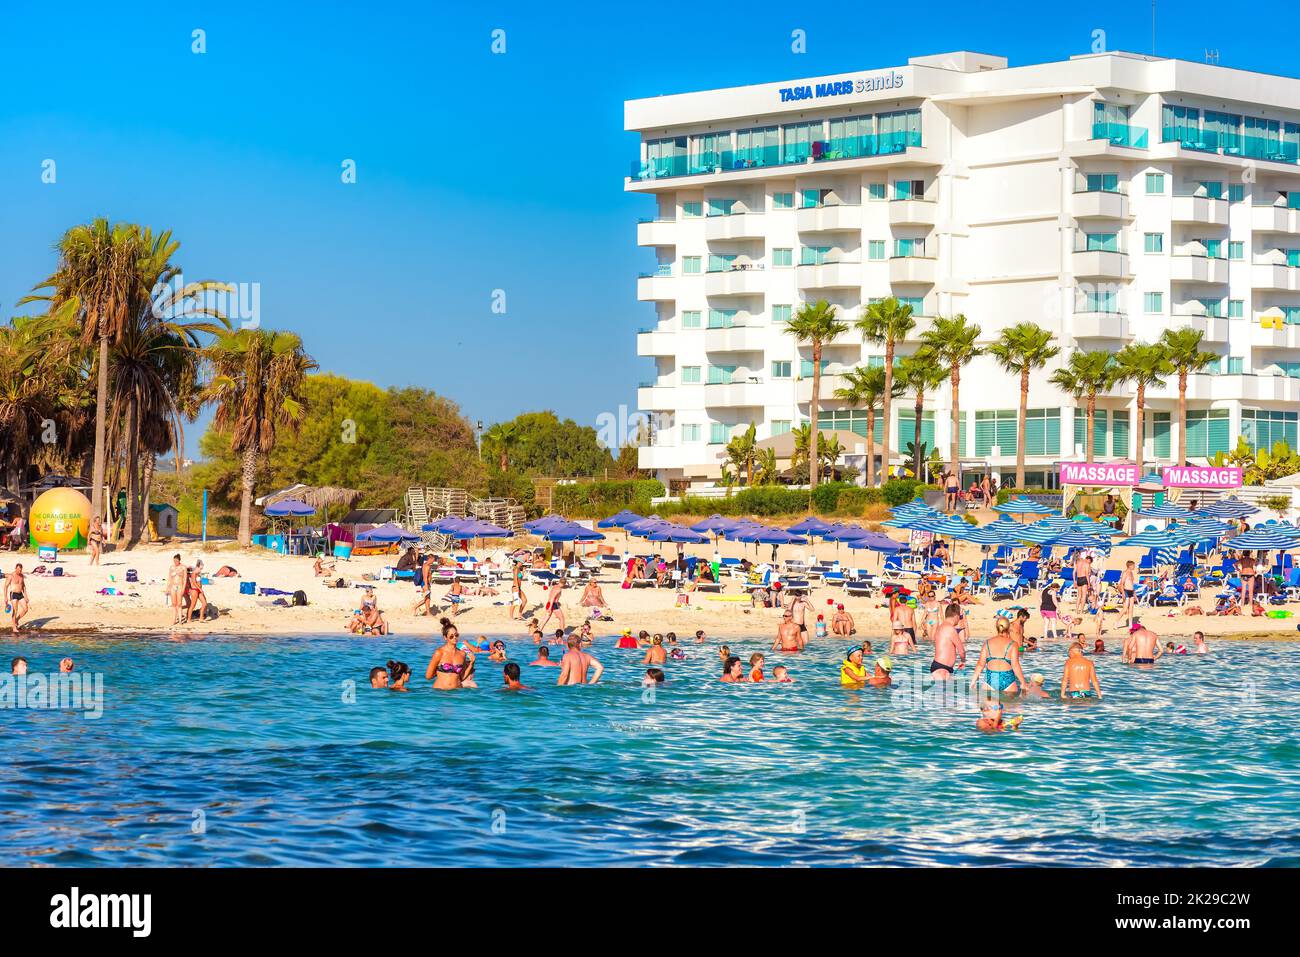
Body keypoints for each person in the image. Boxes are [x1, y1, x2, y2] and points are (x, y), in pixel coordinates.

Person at [971, 617, 1027, 697]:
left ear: (997, 627)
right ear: (1008, 628)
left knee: (989, 708)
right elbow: (1015, 665)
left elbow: (980, 664)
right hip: (1008, 679)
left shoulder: (987, 643)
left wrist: (973, 681)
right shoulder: (1013, 644)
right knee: (1011, 707)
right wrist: (1023, 683)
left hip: (991, 678)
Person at [425, 618, 472, 689]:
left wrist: (471, 664)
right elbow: (428, 676)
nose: (455, 638)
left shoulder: (462, 654)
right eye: (451, 636)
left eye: (456, 635)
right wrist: (440, 671)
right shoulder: (439, 652)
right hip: (440, 693)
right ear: (445, 637)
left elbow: (462, 678)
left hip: (457, 693)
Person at [930, 602, 966, 678]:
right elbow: (961, 651)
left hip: (939, 666)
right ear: (956, 616)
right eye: (960, 616)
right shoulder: (950, 629)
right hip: (942, 669)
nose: (959, 619)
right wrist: (963, 661)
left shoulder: (941, 627)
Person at [7, 563, 28, 635]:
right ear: (15, 568)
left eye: (20, 570)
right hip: (13, 594)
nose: (19, 571)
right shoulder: (11, 576)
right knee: (15, 610)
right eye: (18, 569)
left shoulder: (22, 576)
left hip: (20, 594)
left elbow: (24, 586)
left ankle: (16, 620)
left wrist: (26, 596)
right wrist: (5, 597)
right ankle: (14, 627)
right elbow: (5, 587)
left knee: (25, 609)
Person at [1119, 560, 1137, 629]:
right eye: (1133, 565)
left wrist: (1134, 594)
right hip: (1126, 591)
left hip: (1131, 591)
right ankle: (1116, 622)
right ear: (1130, 566)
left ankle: (1130, 624)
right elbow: (1121, 583)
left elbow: (1132, 585)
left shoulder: (1131, 573)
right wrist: (1123, 593)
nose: (1134, 567)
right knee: (1125, 609)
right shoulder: (1125, 573)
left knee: (1131, 609)